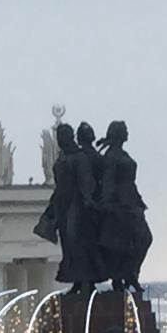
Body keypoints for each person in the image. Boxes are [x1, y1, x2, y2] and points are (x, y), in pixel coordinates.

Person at [42, 123, 106, 294]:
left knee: (79, 242)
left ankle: (87, 280)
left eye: (63, 136)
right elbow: (59, 186)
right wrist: (53, 208)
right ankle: (77, 280)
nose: (60, 140)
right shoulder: (61, 160)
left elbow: (86, 181)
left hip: (78, 206)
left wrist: (88, 200)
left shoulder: (79, 158)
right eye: (59, 137)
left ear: (71, 137)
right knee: (69, 246)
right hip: (64, 206)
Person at [96, 120, 152, 292]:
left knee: (144, 239)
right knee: (123, 244)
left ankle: (131, 274)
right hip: (120, 203)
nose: (127, 132)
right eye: (125, 129)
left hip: (131, 200)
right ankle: (121, 278)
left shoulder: (121, 154)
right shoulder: (111, 156)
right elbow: (108, 181)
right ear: (118, 133)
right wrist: (107, 203)